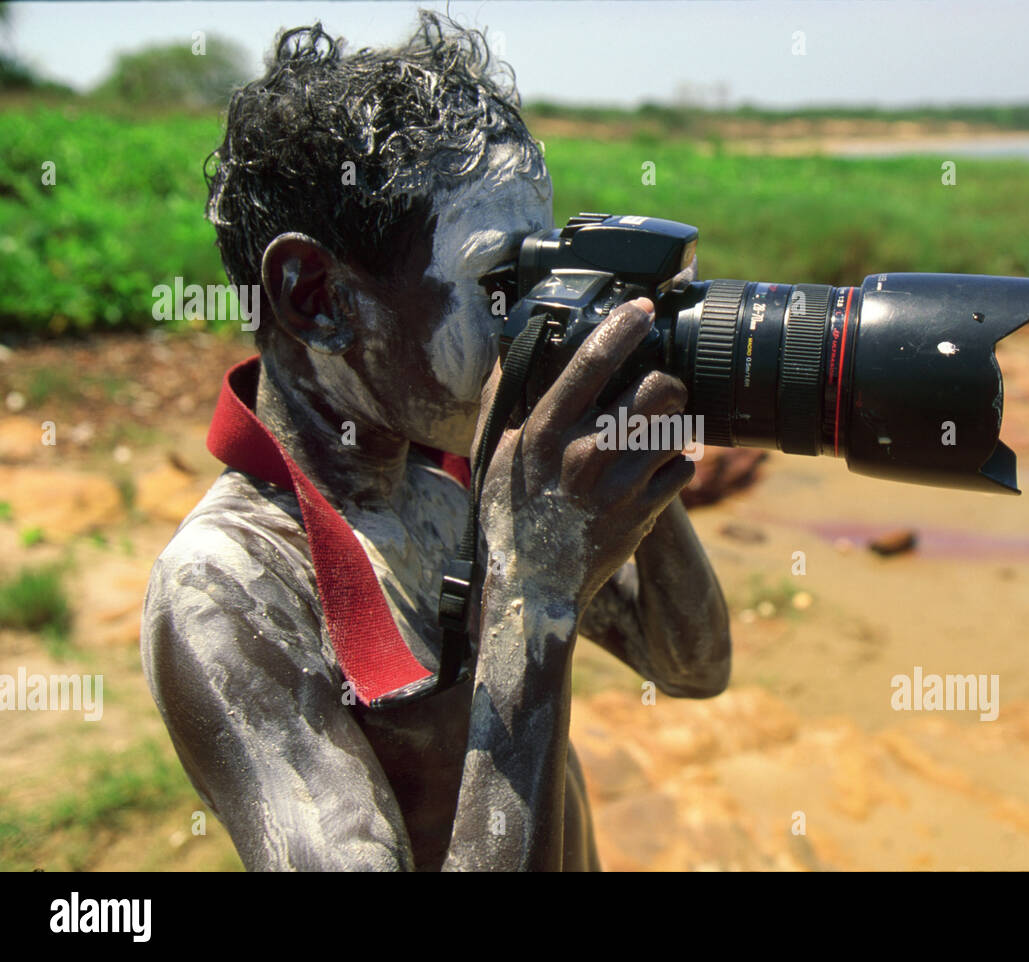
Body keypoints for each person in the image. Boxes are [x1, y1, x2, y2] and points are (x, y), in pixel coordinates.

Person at [140, 11, 730, 871]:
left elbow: (690, 664)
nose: (537, 317)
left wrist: (634, 415)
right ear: (316, 297)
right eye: (500, 283)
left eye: (543, 274)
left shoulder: (455, 490)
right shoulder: (227, 588)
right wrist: (533, 596)